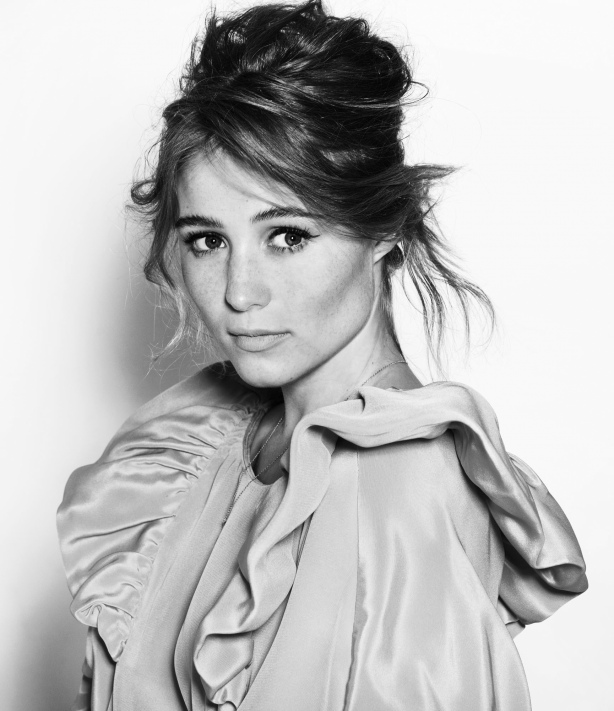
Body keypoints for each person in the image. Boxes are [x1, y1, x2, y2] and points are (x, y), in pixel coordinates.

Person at [56, 2, 588, 709]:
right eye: (208, 241)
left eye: (289, 236)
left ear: (384, 228)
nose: (239, 292)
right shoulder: (202, 439)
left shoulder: (399, 485)